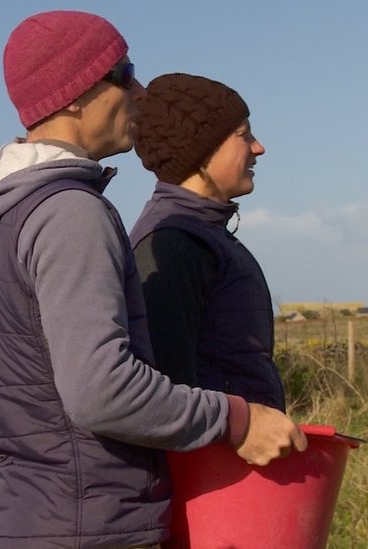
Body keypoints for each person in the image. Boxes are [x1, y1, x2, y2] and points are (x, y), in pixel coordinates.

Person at [0, 11, 306, 548]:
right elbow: (101, 392)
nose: (140, 92)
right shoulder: (70, 212)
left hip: (28, 524)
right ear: (75, 94)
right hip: (94, 527)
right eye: (125, 73)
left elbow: (1, 395)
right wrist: (236, 419)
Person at [129, 73, 286, 411]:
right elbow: (169, 394)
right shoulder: (171, 245)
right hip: (222, 444)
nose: (258, 147)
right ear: (201, 151)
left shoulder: (203, 233)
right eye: (243, 135)